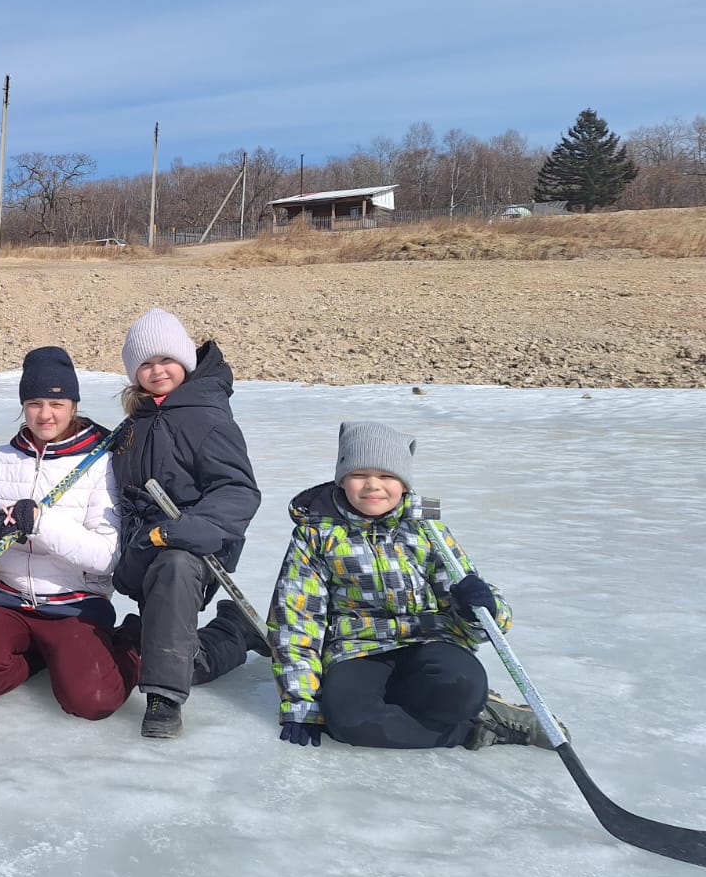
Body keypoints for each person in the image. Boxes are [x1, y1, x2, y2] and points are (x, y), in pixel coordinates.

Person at [268, 421, 554, 751]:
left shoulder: (426, 529)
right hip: (356, 648)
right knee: (346, 722)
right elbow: (296, 619)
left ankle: (476, 706)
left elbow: (484, 618)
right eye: (359, 474)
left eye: (387, 475)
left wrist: (478, 607)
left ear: (404, 483)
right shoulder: (317, 535)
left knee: (460, 688)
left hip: (429, 640)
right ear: (342, 479)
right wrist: (301, 701)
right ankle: (476, 729)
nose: (373, 485)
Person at [0, 347, 134, 719]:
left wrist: (40, 524)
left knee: (93, 701)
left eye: (56, 403)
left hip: (74, 605)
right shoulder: (3, 459)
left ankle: (133, 642)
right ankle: (42, 656)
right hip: (7, 601)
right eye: (34, 403)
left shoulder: (100, 462)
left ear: (73, 405)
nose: (45, 414)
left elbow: (106, 556)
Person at [112, 308, 268, 739]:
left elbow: (239, 491)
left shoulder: (207, 417)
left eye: (167, 359)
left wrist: (177, 532)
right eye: (145, 364)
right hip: (145, 545)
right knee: (179, 653)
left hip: (196, 548)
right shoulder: (135, 422)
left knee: (175, 568)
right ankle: (231, 629)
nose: (157, 370)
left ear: (185, 360)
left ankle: (164, 699)